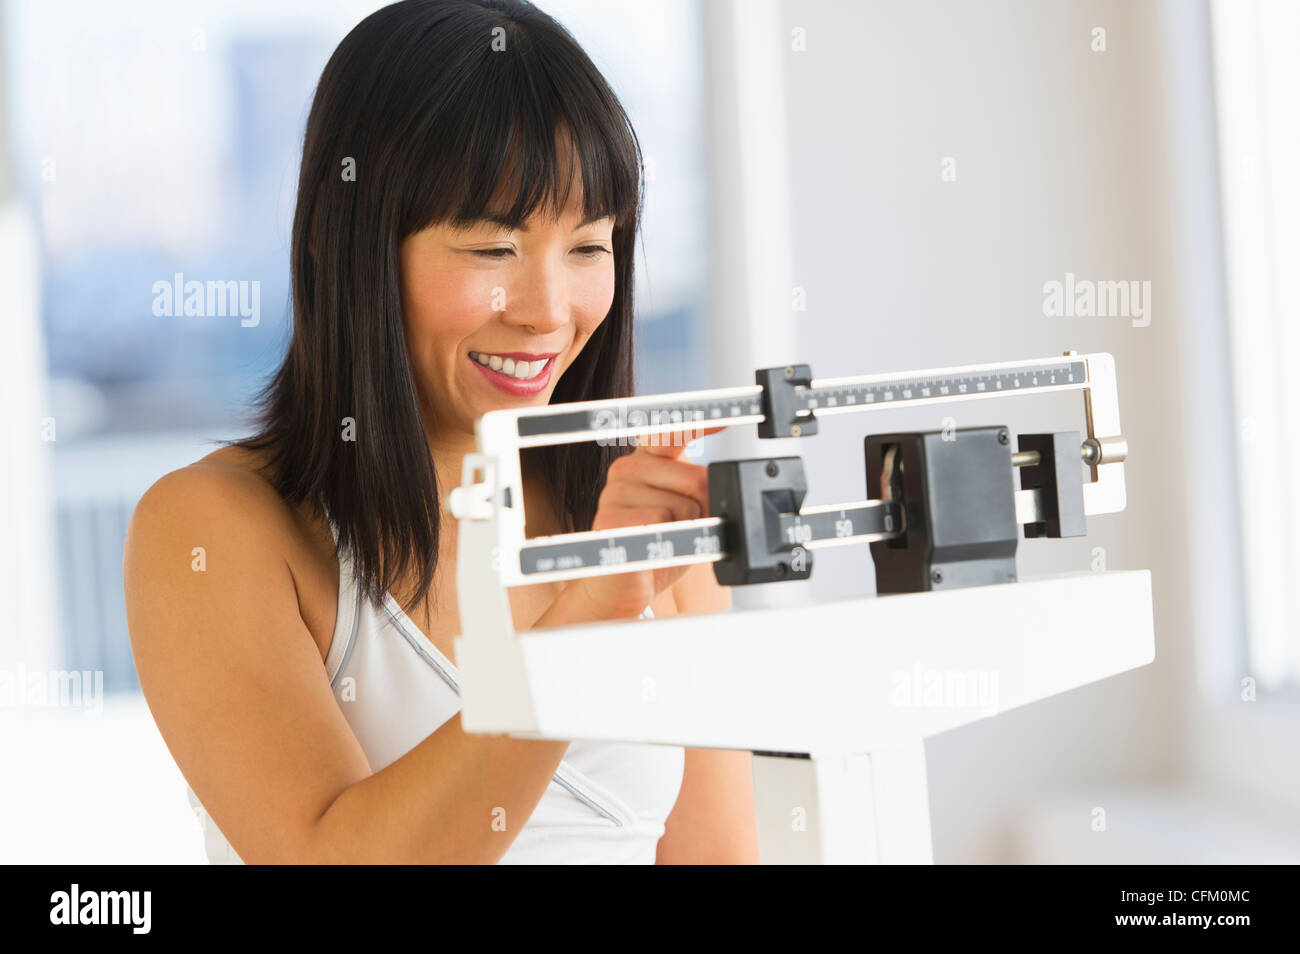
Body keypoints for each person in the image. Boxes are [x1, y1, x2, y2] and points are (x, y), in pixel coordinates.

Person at [123, 0, 758, 864]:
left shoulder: (646, 533)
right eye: (493, 250)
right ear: (349, 246)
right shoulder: (212, 530)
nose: (547, 313)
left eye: (589, 246)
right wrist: (585, 620)